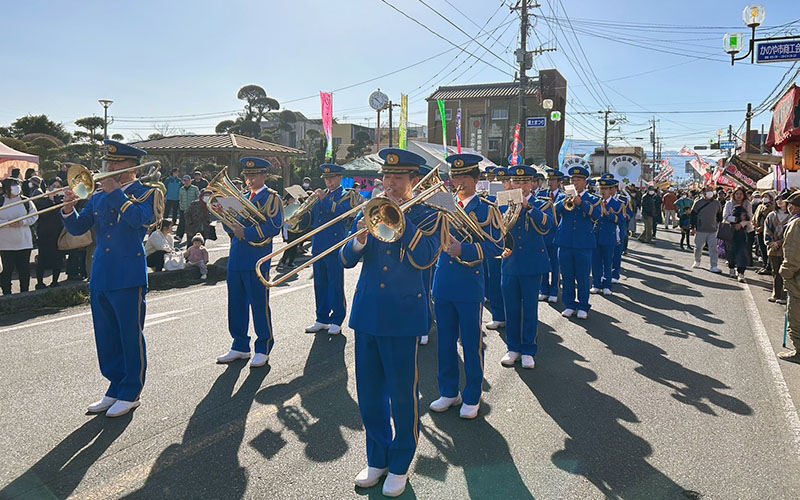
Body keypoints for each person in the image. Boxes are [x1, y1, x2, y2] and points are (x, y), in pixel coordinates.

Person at [340, 148, 441, 497]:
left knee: (402, 396)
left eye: (399, 178)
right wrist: (359, 239)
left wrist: (403, 216)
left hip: (402, 316)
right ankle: (377, 458)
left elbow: (426, 258)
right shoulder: (370, 210)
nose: (391, 184)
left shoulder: (429, 215)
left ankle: (400, 463)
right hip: (368, 313)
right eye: (387, 177)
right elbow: (346, 260)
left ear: (413, 181)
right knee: (368, 395)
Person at [61, 140, 160, 417]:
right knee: (105, 336)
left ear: (133, 167)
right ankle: (114, 387)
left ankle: (131, 391)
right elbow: (80, 227)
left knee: (129, 334)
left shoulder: (147, 192)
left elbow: (139, 220)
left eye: (116, 163)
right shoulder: (99, 196)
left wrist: (117, 193)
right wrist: (69, 209)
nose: (110, 167)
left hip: (128, 274)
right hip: (101, 273)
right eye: (108, 163)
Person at [429, 154, 503, 419]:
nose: (457, 182)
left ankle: (472, 394)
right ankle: (449, 391)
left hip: (470, 284)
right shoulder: (443, 203)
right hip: (443, 281)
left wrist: (466, 249)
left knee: (471, 343)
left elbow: (497, 246)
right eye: (454, 176)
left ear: (475, 179)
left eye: (463, 177)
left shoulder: (487, 209)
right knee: (445, 343)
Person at [215, 157, 283, 369]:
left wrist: (246, 232)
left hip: (257, 258)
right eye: (247, 176)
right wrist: (224, 215)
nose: (250, 179)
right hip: (237, 257)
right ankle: (240, 345)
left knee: (259, 304)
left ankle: (263, 347)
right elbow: (230, 228)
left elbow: (274, 227)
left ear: (265, 176)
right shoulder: (241, 197)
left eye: (254, 175)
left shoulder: (272, 199)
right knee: (235, 303)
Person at [499, 165, 555, 367]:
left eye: (524, 182)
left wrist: (528, 207)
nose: (520, 186)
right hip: (510, 263)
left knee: (529, 309)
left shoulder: (543, 203)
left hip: (532, 263)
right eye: (517, 182)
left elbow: (547, 226)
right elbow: (496, 229)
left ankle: (529, 349)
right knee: (511, 309)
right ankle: (513, 348)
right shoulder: (503, 202)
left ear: (532, 184)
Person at [304, 164, 357, 335]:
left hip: (335, 245)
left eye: (332, 178)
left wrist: (323, 200)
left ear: (340, 178)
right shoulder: (322, 195)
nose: (329, 181)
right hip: (319, 244)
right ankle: (322, 318)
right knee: (319, 284)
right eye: (327, 178)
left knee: (335, 284)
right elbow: (313, 217)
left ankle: (337, 319)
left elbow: (343, 213)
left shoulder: (346, 195)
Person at [556, 165, 601, 320]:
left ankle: (583, 306)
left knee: (582, 276)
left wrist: (581, 203)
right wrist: (564, 201)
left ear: (585, 182)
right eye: (572, 180)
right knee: (567, 276)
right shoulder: (562, 196)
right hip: (565, 241)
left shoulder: (593, 199)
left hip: (584, 243)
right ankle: (569, 304)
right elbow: (554, 212)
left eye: (578, 180)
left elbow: (596, 216)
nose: (574, 182)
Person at [0, 177, 38, 294]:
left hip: (24, 242)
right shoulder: (1, 201)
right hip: (5, 244)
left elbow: (34, 216)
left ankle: (25, 293)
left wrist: (23, 222)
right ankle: (7, 293)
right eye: (12, 185)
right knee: (7, 270)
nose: (16, 187)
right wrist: (8, 223)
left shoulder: (26, 201)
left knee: (24, 269)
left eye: (17, 184)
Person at [485, 167, 509, 330]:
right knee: (494, 280)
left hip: (510, 245)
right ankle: (498, 315)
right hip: (494, 243)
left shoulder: (514, 198)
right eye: (496, 180)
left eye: (505, 181)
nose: (501, 184)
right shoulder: (488, 199)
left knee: (508, 284)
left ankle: (511, 314)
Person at [778, 191, 800, 362]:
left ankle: (798, 351)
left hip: (798, 279)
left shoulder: (797, 224)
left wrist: (785, 273)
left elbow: (792, 255)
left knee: (796, 317)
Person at [590, 177, 622, 296]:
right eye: (601, 188)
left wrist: (608, 215)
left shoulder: (617, 204)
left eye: (605, 189)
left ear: (610, 190)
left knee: (608, 262)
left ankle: (607, 285)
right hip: (596, 235)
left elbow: (621, 220)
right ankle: (596, 284)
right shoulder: (595, 201)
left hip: (609, 236)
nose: (602, 191)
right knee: (595, 262)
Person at [539, 168, 564, 303]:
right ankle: (544, 289)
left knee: (555, 265)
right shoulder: (542, 194)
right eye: (549, 180)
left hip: (555, 234)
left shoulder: (563, 196)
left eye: (553, 180)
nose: (550, 182)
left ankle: (554, 290)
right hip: (543, 234)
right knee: (543, 263)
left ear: (559, 182)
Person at [34, 179, 65, 289]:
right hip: (44, 234)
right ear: (48, 187)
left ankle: (55, 281)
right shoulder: (42, 201)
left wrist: (56, 201)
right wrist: (50, 200)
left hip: (58, 234)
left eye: (58, 186)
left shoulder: (62, 201)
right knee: (42, 259)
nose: (56, 188)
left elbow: (61, 216)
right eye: (54, 186)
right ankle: (40, 282)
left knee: (58, 259)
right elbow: (41, 215)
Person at [723, 186, 754, 283]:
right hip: (730, 230)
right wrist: (736, 221)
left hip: (743, 232)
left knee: (742, 252)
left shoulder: (747, 204)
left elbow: (750, 217)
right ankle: (731, 269)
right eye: (737, 194)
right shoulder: (729, 203)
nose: (739, 196)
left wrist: (741, 224)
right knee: (730, 250)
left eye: (741, 194)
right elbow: (725, 216)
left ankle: (741, 273)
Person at [691, 185, 723, 273]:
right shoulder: (698, 202)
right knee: (698, 247)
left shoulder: (717, 203)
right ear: (704, 192)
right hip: (700, 229)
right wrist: (693, 227)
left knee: (713, 249)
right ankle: (697, 261)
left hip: (713, 230)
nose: (710, 192)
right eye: (708, 190)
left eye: (711, 190)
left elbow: (719, 216)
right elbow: (693, 215)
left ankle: (714, 265)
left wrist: (719, 226)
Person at [765, 194, 790, 304]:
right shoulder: (771, 215)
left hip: (786, 248)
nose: (780, 201)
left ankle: (784, 296)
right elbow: (767, 230)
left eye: (782, 199)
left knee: (785, 272)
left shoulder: (791, 216)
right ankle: (776, 293)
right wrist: (770, 243)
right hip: (773, 248)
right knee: (775, 272)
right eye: (778, 199)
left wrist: (780, 242)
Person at [610, 178, 632, 282]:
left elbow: (629, 214)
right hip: (605, 230)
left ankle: (615, 274)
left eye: (611, 188)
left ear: (616, 188)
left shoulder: (623, 200)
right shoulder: (602, 199)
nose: (609, 190)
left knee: (617, 253)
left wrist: (621, 217)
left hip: (619, 229)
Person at [753, 190, 775, 275]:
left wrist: (761, 228)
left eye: (767, 197)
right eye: (764, 196)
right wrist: (755, 226)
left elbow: (769, 221)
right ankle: (764, 265)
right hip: (758, 231)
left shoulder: (772, 208)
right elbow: (755, 217)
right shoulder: (760, 207)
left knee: (767, 250)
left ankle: (768, 267)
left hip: (767, 232)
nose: (764, 198)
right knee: (762, 249)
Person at [177, 175, 200, 242]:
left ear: (190, 181)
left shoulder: (195, 188)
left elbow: (198, 197)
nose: (186, 182)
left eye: (187, 181)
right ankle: (179, 236)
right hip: (183, 208)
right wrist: (180, 205)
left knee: (192, 223)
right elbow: (180, 197)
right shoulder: (181, 188)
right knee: (182, 222)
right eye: (184, 181)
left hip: (192, 209)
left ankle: (193, 237)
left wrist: (196, 206)